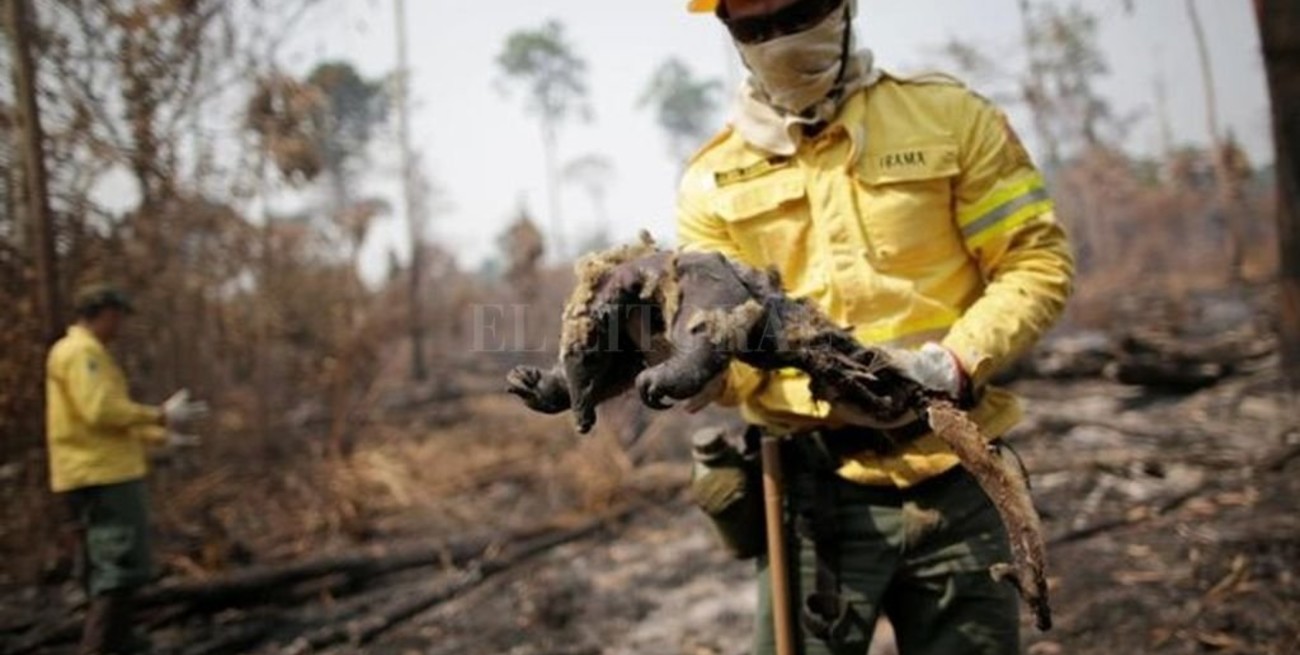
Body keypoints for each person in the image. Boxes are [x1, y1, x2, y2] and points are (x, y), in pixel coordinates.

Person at [676, 0, 1075, 653]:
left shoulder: (949, 119)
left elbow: (1035, 260)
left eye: (798, 13)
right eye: (755, 27)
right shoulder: (710, 182)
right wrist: (700, 364)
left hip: (959, 472)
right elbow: (729, 350)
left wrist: (955, 361)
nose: (780, 40)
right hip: (810, 492)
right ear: (727, 29)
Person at [46, 284, 208, 655]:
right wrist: (160, 415)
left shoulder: (83, 352)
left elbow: (102, 421)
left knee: (104, 570)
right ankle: (102, 647)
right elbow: (101, 411)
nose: (120, 325)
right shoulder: (82, 353)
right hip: (102, 475)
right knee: (119, 571)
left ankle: (119, 643)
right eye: (117, 316)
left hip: (96, 470)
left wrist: (159, 437)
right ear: (103, 312)